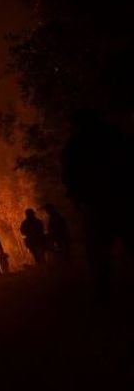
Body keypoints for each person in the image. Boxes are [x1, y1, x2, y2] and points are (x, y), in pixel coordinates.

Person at [61, 109, 134, 298]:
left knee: (98, 250)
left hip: (97, 204)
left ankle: (103, 292)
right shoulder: (116, 136)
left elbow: (70, 176)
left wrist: (76, 198)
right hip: (122, 199)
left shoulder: (76, 146)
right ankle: (103, 290)